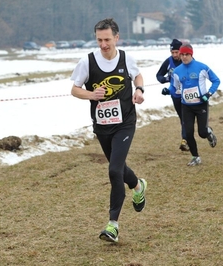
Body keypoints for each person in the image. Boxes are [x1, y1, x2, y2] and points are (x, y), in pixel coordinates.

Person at [70, 18, 147, 243]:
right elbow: (74, 89)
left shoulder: (126, 58)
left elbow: (138, 75)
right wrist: (91, 94)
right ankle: (137, 185)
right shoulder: (87, 62)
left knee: (114, 170)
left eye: (107, 39)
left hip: (125, 122)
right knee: (119, 166)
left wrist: (139, 89)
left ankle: (113, 224)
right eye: (99, 40)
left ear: (116, 37)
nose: (103, 44)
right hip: (102, 125)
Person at [173, 44, 220, 166]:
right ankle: (195, 157)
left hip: (201, 105)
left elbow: (216, 80)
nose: (184, 57)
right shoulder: (177, 71)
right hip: (186, 106)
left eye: (186, 54)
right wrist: (168, 91)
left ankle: (209, 132)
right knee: (188, 133)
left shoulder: (202, 67)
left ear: (191, 54)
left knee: (202, 133)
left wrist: (208, 94)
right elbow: (176, 87)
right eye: (182, 54)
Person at [156, 39, 189, 151]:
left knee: (188, 118)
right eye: (172, 52)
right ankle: (185, 140)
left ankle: (199, 133)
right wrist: (165, 79)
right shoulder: (169, 62)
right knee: (183, 118)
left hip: (189, 95)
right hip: (175, 95)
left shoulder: (188, 60)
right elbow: (159, 75)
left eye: (177, 52)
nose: (175, 55)